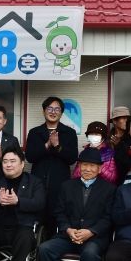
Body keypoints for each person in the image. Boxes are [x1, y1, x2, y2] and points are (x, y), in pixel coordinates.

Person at [39, 148, 116, 261]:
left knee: (90, 253)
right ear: (79, 167)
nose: (87, 169)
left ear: (99, 169)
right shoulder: (67, 186)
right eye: (84, 165)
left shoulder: (109, 189)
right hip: (69, 235)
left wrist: (91, 231)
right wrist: (68, 229)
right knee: (45, 249)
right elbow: (59, 212)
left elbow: (109, 218)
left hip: (94, 238)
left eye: (92, 166)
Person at [25, 96, 78, 235]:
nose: (53, 112)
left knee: (58, 217)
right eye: (49, 108)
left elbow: (72, 159)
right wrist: (47, 145)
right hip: (38, 182)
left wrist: (58, 146)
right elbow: (29, 157)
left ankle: (55, 244)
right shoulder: (34, 132)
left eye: (57, 109)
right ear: (44, 111)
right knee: (37, 217)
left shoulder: (69, 133)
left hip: (60, 182)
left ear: (61, 113)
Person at [72, 121, 117, 185]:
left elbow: (112, 178)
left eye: (96, 134)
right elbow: (75, 175)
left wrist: (98, 164)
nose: (93, 136)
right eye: (91, 134)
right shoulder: (85, 152)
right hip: (84, 187)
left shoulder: (108, 153)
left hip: (102, 187)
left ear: (103, 137)